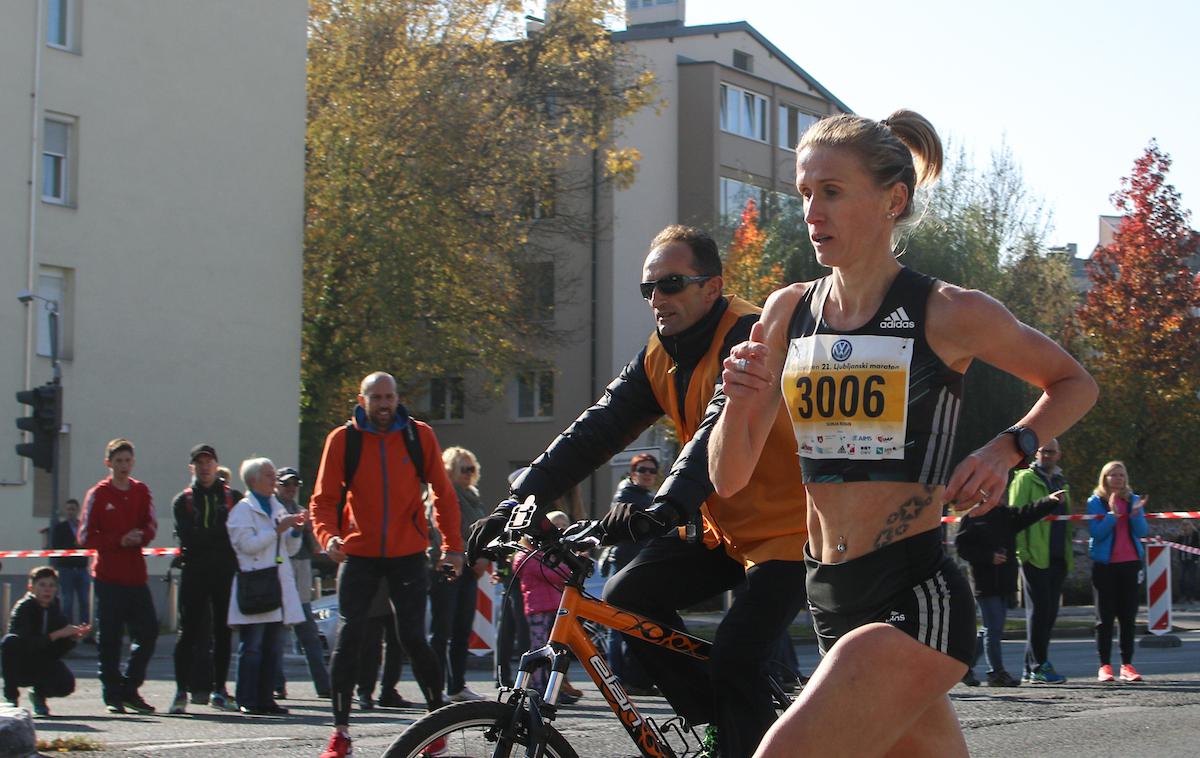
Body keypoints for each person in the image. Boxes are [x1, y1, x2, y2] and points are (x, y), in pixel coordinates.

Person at [707, 109, 1098, 757]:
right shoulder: (787, 312)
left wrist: (1009, 448)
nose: (812, 212)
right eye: (805, 193)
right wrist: (737, 402)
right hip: (829, 597)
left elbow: (1073, 382)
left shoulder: (945, 311)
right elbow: (728, 476)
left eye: (831, 192)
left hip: (915, 600)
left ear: (894, 200)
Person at [469, 225, 810, 758]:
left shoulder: (751, 336)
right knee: (628, 598)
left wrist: (664, 505)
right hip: (726, 533)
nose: (658, 298)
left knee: (737, 656)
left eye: (671, 284)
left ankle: (746, 736)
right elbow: (596, 429)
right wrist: (517, 499)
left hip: (791, 534)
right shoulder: (660, 353)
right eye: (648, 288)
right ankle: (725, 726)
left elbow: (714, 429)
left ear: (712, 287)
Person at [309, 371, 464, 758]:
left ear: (397, 398)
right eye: (376, 397)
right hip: (358, 553)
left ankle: (436, 724)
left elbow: (442, 494)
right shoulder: (343, 440)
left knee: (412, 636)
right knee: (349, 638)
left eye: (389, 397)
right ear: (361, 400)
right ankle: (341, 733)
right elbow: (323, 500)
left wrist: (452, 547)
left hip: (407, 553)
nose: (383, 404)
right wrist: (328, 538)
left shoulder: (418, 435)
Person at [80, 437, 161, 715]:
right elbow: (85, 536)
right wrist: (118, 540)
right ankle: (112, 693)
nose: (124, 466)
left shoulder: (141, 491)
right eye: (118, 462)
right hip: (108, 576)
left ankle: (130, 686)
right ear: (109, 463)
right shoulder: (99, 494)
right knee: (111, 637)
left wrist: (142, 535)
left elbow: (151, 524)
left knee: (149, 631)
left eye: (127, 461)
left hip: (136, 575)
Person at [956, 490, 1067, 687]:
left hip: (1005, 582)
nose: (1001, 495)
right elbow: (963, 548)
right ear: (983, 495)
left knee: (989, 629)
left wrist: (1049, 501)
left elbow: (1028, 513)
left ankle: (963, 667)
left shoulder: (1007, 516)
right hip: (985, 582)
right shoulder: (972, 518)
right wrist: (988, 557)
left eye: (1001, 491)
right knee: (994, 628)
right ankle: (996, 673)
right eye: (994, 492)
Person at [227, 457, 306, 716]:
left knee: (273, 647)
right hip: (256, 584)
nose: (275, 480)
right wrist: (277, 529)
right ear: (253, 481)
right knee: (252, 647)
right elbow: (247, 546)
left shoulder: (275, 506)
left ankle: (266, 698)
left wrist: (295, 531)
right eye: (269, 475)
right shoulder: (242, 510)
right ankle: (247, 698)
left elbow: (289, 549)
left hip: (277, 584)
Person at [169, 444, 242, 714]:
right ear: (193, 468)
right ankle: (181, 690)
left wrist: (208, 537)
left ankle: (220, 688)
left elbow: (236, 534)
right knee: (188, 632)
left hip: (223, 573)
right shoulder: (183, 500)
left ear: (216, 465)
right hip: (195, 573)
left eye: (208, 462)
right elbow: (187, 536)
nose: (204, 467)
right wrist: (215, 537)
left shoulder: (232, 497)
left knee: (223, 632)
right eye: (199, 463)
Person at [1011, 438, 1074, 683]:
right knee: (1039, 611)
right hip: (1035, 556)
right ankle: (1039, 666)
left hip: (1058, 555)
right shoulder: (1025, 479)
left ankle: (1032, 667)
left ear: (1059, 454)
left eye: (1052, 451)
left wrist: (1068, 553)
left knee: (1049, 613)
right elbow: (1016, 516)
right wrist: (1022, 553)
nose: (1047, 455)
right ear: (1036, 453)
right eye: (1043, 451)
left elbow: (1066, 519)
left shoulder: (1061, 481)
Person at [430, 446, 490, 703]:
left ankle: (456, 685)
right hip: (446, 565)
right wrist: (471, 555)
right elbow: (442, 532)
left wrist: (485, 557)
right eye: (464, 469)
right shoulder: (444, 495)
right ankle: (435, 686)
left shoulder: (473, 496)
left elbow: (483, 533)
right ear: (451, 470)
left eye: (472, 468)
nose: (469, 474)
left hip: (469, 568)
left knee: (462, 629)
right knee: (442, 629)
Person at [510, 510, 584, 703]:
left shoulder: (552, 554)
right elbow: (553, 573)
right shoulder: (526, 555)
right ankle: (538, 688)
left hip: (556, 607)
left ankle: (556, 687)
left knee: (558, 650)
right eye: (556, 526)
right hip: (538, 608)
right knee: (541, 649)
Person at [599, 453, 658, 694]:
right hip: (627, 562)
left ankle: (633, 679)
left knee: (634, 623)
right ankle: (620, 679)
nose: (647, 474)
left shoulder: (645, 496)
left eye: (652, 470)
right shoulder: (627, 495)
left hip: (638, 562)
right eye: (642, 469)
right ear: (632, 473)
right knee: (619, 624)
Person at [1087, 461, 1149, 683]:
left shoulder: (1132, 499)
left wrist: (1134, 514)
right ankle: (1104, 665)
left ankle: (1127, 664)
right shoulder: (1095, 502)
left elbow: (1143, 531)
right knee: (1104, 618)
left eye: (1121, 475)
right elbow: (1097, 533)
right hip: (1104, 565)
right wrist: (1112, 515)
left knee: (1128, 616)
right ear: (1105, 478)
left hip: (1129, 563)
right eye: (1113, 475)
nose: (1118, 479)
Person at [273, 466, 332, 700]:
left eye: (294, 485)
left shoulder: (301, 511)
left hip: (302, 573)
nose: (290, 489)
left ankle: (323, 685)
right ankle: (278, 684)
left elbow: (316, 547)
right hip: (281, 572)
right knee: (278, 635)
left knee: (309, 634)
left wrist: (309, 529)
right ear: (277, 485)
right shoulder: (274, 510)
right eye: (286, 484)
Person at [1, 566, 89, 716]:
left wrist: (73, 637)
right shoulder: (24, 608)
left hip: (41, 661)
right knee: (10, 641)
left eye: (51, 586)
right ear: (31, 588)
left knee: (66, 685)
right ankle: (11, 698)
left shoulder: (55, 609)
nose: (47, 590)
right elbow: (26, 643)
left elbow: (58, 649)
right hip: (22, 664)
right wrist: (57, 634)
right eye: (42, 585)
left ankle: (39, 694)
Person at [49, 498, 91, 630]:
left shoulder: (83, 527)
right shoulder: (60, 528)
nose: (70, 512)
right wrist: (73, 546)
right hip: (66, 569)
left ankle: (85, 631)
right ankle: (68, 630)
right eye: (68, 509)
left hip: (81, 568)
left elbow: (89, 543)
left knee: (84, 601)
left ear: (78, 510)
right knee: (67, 601)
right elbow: (56, 546)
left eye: (73, 509)